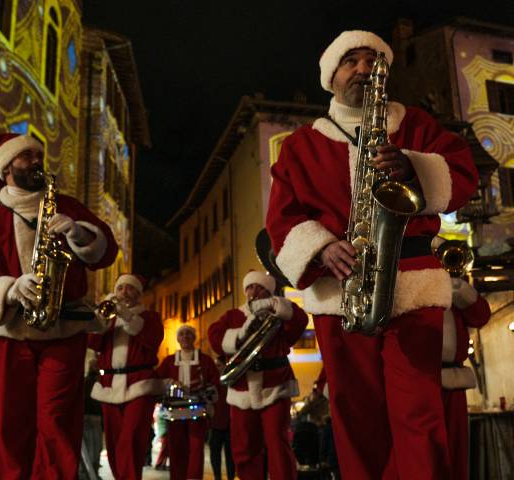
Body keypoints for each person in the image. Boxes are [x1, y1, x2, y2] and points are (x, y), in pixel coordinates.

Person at [266, 30, 479, 479]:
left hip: (414, 282)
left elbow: (462, 175)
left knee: (420, 416)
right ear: (331, 76)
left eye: (372, 61)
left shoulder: (416, 124)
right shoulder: (301, 145)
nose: (363, 69)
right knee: (356, 420)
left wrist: (412, 164)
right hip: (342, 289)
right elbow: (281, 221)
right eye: (351, 61)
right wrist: (322, 246)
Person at [0, 133, 118, 479]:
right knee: (7, 422)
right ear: (6, 168)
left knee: (57, 421)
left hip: (63, 330)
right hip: (11, 333)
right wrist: (11, 289)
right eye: (26, 156)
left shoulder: (68, 206)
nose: (36, 160)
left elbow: (107, 252)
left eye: (37, 154)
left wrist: (79, 234)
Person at [208, 270, 308, 480]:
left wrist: (280, 306)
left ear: (268, 290)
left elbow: (299, 321)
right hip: (242, 388)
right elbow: (215, 338)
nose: (254, 291)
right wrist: (240, 334)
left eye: (259, 287)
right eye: (250, 287)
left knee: (277, 443)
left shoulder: (277, 312)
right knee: (244, 448)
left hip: (275, 385)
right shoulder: (233, 315)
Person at [87, 273, 164, 480]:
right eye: (120, 288)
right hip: (109, 386)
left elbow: (152, 338)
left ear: (139, 294)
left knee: (130, 440)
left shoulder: (150, 318)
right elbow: (91, 341)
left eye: (129, 289)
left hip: (139, 385)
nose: (123, 293)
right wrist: (101, 319)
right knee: (113, 443)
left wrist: (126, 315)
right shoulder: (109, 320)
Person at [440, 275, 491, 480]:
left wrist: (458, 287)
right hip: (416, 379)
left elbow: (481, 316)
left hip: (453, 382)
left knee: (456, 452)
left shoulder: (451, 289)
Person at [156, 324, 220, 480]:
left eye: (188, 334)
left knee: (196, 448)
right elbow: (157, 381)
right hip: (174, 411)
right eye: (182, 334)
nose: (185, 337)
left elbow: (215, 383)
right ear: (177, 339)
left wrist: (205, 394)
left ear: (194, 338)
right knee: (176, 448)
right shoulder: (169, 361)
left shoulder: (205, 360)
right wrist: (169, 383)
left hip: (197, 409)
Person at [208, 355, 235, 480]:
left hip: (230, 424)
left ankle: (230, 477)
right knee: (215, 453)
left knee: (230, 455)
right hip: (216, 424)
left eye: (218, 365)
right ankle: (217, 477)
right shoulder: (212, 382)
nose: (216, 368)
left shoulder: (231, 381)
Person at [79, 349, 103, 480]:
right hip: (94, 417)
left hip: (84, 416)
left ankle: (85, 475)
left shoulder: (83, 382)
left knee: (86, 451)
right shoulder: (99, 382)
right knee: (94, 450)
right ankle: (92, 475)